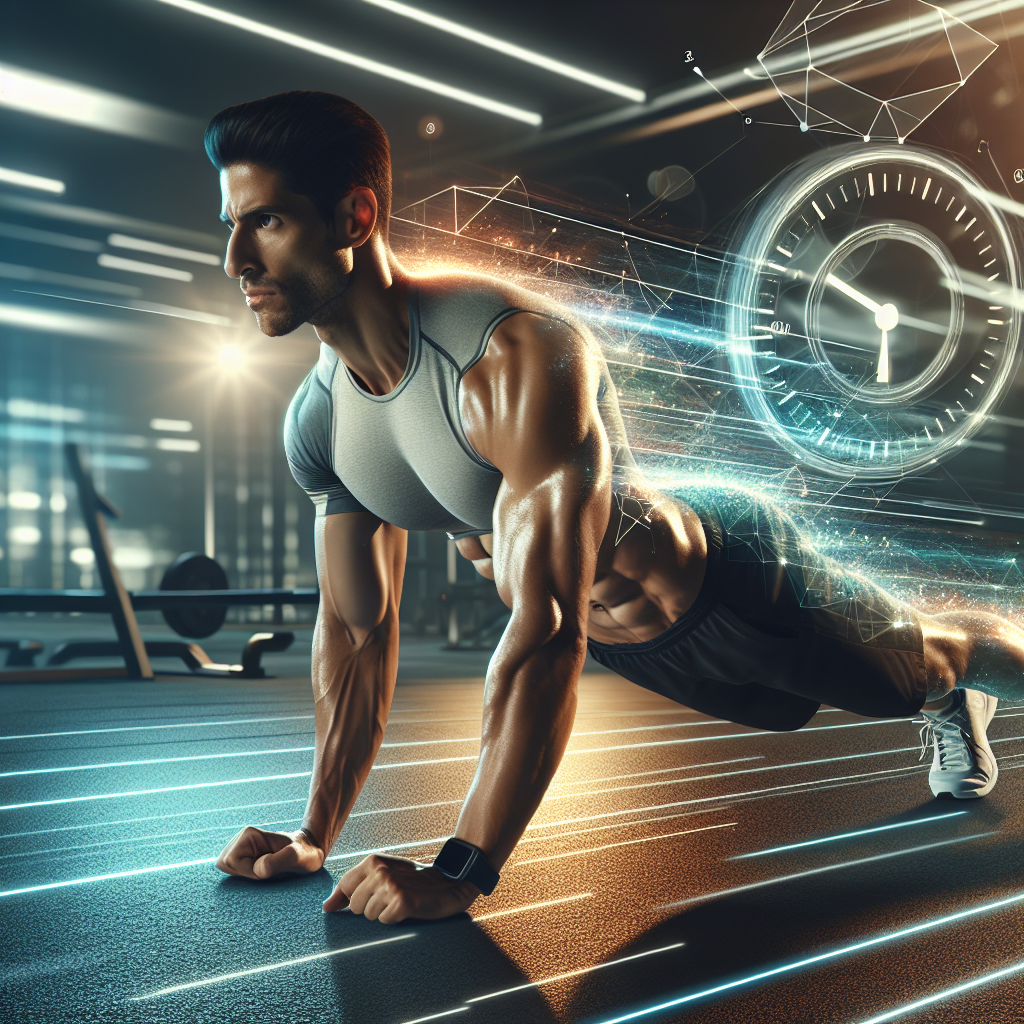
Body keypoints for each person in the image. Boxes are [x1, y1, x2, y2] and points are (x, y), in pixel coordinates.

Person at [210, 91, 1019, 925]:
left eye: (265, 223)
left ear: (355, 215)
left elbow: (545, 624)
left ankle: (958, 697)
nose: (235, 258)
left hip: (734, 582)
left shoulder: (509, 357)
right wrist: (313, 834)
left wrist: (461, 871)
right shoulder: (320, 421)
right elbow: (353, 630)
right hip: (629, 647)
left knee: (926, 668)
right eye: (229, 224)